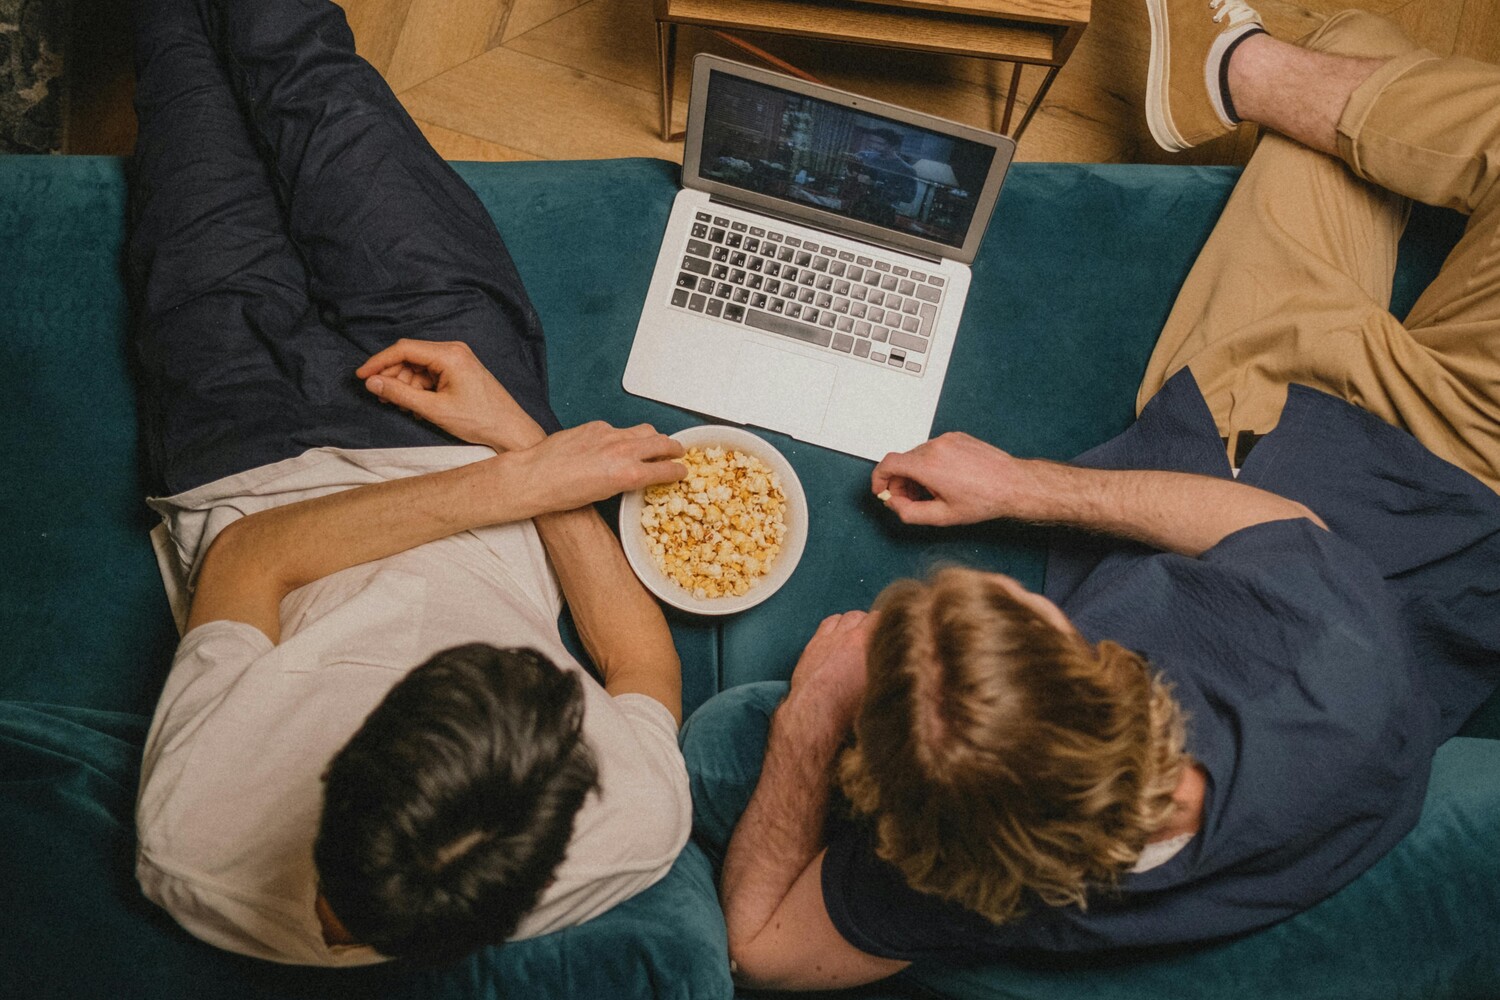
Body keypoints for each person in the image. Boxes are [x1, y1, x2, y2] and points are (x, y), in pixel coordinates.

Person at [683, 4, 1500, 990]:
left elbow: (756, 948)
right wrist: (1019, 487)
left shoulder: (961, 872)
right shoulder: (1331, 671)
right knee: (1358, 51)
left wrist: (813, 713)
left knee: (1359, 56)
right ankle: (1245, 69)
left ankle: (1263, 75)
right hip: (1434, 478)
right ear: (1104, 675)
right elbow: (1276, 525)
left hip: (1331, 484)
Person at [128, 0, 692, 967]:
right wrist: (517, 441)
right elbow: (642, 670)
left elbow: (249, 557)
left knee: (183, 77)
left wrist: (519, 484)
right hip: (471, 424)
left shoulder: (192, 839)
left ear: (336, 766)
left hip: (241, 446)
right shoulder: (632, 828)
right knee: (303, 65)